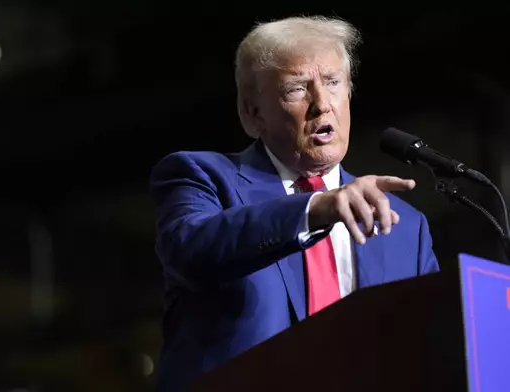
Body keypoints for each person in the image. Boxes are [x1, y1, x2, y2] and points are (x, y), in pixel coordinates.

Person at [149, 15, 440, 391]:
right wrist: (314, 209)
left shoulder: (406, 226)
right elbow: (189, 250)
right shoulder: (202, 176)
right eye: (297, 89)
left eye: (333, 83)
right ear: (253, 114)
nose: (322, 104)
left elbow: (431, 345)